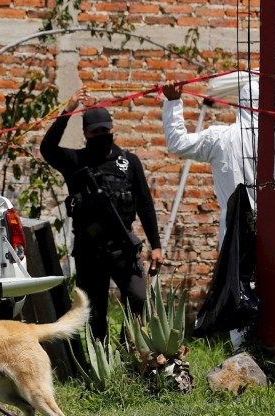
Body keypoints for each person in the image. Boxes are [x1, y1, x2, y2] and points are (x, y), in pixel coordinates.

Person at [40, 87, 163, 341]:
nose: (101, 135)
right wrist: (69, 110)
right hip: (89, 249)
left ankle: (127, 350)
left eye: (105, 130)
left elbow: (145, 204)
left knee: (139, 298)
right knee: (96, 312)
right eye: (95, 131)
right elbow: (48, 148)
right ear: (85, 133)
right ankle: (103, 365)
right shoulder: (75, 161)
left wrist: (157, 245)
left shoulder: (128, 162)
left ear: (113, 129)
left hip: (123, 247)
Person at [161, 78, 259, 248]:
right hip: (271, 234)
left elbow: (178, 143)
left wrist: (173, 101)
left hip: (232, 237)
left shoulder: (221, 137)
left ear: (240, 105)